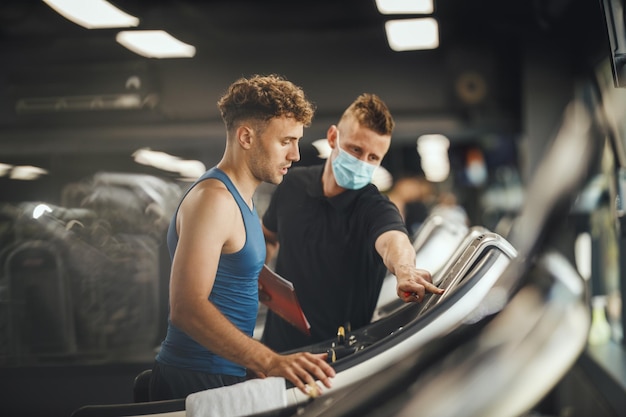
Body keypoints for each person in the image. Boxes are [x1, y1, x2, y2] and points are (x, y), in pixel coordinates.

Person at [150, 74, 335, 401]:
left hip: (226, 371)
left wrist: (249, 362)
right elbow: (186, 307)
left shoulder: (242, 200)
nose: (295, 155)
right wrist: (269, 360)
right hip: (196, 379)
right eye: (285, 141)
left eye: (296, 141)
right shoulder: (214, 200)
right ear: (246, 137)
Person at [261, 93, 444, 353]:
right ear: (334, 137)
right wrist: (250, 269)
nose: (362, 163)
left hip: (334, 359)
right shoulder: (291, 185)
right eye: (356, 150)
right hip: (276, 350)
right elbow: (268, 237)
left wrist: (405, 270)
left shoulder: (373, 207)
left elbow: (393, 241)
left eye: (373, 158)